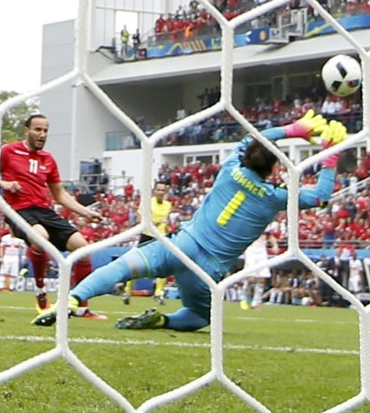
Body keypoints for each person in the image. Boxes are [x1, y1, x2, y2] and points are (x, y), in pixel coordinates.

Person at [33, 110, 344, 330]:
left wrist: (293, 129)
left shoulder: (230, 168)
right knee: (199, 317)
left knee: (119, 268)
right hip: (206, 269)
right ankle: (163, 320)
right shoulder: (275, 197)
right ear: (273, 171)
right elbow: (321, 196)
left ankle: (73, 300)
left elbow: (253, 138)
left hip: (180, 244)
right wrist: (330, 155)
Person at [0, 114, 105, 318]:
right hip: (18, 210)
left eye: (45, 130)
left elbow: (60, 194)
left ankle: (82, 307)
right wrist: (4, 184)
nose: (42, 134)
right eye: (38, 130)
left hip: (45, 211)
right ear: (26, 130)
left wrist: (86, 211)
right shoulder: (8, 151)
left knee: (83, 249)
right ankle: (40, 290)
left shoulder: (48, 159)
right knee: (41, 238)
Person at [122, 181, 172, 306]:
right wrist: (151, 223)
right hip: (147, 236)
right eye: (159, 190)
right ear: (154, 191)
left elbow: (166, 222)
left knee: (164, 265)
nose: (161, 192)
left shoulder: (168, 205)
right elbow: (139, 219)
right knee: (138, 264)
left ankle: (158, 293)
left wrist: (167, 229)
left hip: (161, 237)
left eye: (163, 190)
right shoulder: (147, 203)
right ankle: (127, 291)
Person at [239, 221, 280, 310]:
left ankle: (255, 302)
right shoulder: (248, 225)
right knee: (250, 278)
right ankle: (243, 299)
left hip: (262, 252)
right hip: (251, 251)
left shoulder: (265, 224)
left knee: (261, 279)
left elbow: (270, 236)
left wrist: (275, 245)